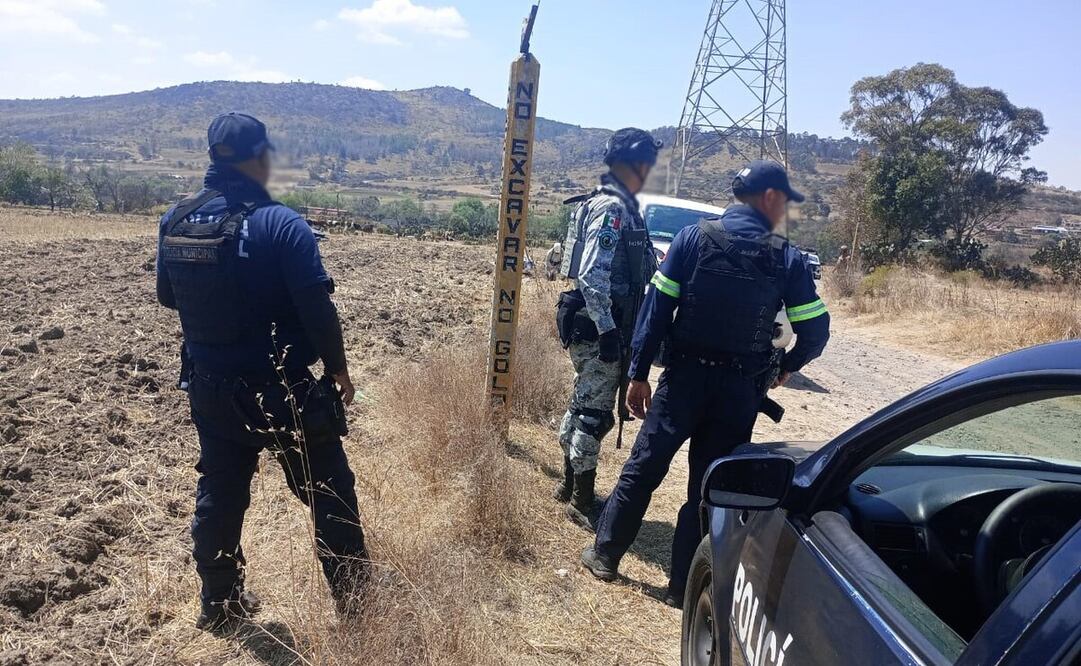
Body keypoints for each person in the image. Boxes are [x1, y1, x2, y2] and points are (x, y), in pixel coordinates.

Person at [581, 161, 831, 607]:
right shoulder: (786, 257)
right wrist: (786, 366)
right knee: (708, 487)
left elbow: (655, 311)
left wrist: (638, 374)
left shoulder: (693, 239)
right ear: (769, 199)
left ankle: (605, 554)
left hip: (684, 380)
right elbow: (816, 331)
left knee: (645, 467)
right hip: (739, 392)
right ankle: (682, 587)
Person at [156, 113, 367, 631]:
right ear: (259, 156)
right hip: (282, 391)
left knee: (222, 487)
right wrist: (339, 369)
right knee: (328, 489)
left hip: (208, 386)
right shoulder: (281, 224)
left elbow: (166, 297)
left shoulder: (176, 218)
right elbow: (317, 309)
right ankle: (360, 608)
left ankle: (219, 604)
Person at [554, 128, 661, 530]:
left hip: (598, 323)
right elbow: (591, 276)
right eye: (646, 164)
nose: (649, 172)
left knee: (583, 404)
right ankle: (581, 500)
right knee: (593, 415)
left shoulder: (608, 203)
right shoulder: (612, 208)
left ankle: (569, 484)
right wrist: (609, 332)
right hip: (600, 326)